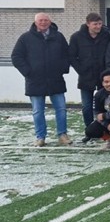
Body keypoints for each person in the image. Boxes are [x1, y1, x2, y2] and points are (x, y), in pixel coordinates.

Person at [12, 12, 72, 147]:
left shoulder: (58, 37)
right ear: (35, 22)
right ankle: (40, 137)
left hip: (56, 80)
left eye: (46, 20)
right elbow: (16, 56)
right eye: (40, 20)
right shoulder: (25, 38)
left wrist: (62, 68)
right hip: (35, 81)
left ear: (50, 22)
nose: (43, 22)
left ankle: (62, 135)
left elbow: (67, 54)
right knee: (38, 111)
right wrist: (28, 72)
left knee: (61, 109)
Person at [69, 12, 110, 129]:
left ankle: (105, 128)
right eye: (95, 24)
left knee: (105, 104)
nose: (98, 26)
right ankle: (90, 129)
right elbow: (71, 56)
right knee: (87, 106)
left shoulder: (107, 35)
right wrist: (81, 70)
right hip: (86, 76)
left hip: (104, 77)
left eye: (100, 24)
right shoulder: (76, 37)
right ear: (88, 24)